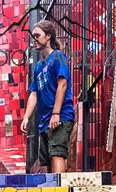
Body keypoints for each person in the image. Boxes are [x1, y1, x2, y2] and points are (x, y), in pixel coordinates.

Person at [21, 20, 75, 173]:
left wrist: (56, 114)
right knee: (50, 160)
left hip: (60, 117)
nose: (35, 39)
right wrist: (26, 117)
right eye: (33, 36)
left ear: (48, 36)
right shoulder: (39, 65)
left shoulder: (58, 56)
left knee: (57, 154)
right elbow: (34, 93)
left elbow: (62, 85)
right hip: (44, 121)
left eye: (38, 35)